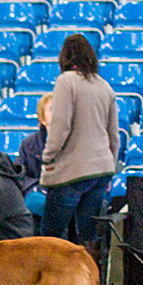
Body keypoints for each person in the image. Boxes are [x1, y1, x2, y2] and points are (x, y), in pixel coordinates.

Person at [39, 34, 119, 257]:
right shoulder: (105, 86)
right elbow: (114, 136)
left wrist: (48, 157)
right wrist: (110, 166)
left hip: (73, 171)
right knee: (87, 235)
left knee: (50, 236)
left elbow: (61, 126)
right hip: (101, 170)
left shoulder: (66, 82)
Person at [17, 93, 53, 231]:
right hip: (37, 191)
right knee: (34, 201)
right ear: (42, 119)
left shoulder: (75, 141)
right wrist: (36, 188)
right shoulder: (29, 143)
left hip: (65, 192)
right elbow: (20, 173)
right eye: (51, 109)